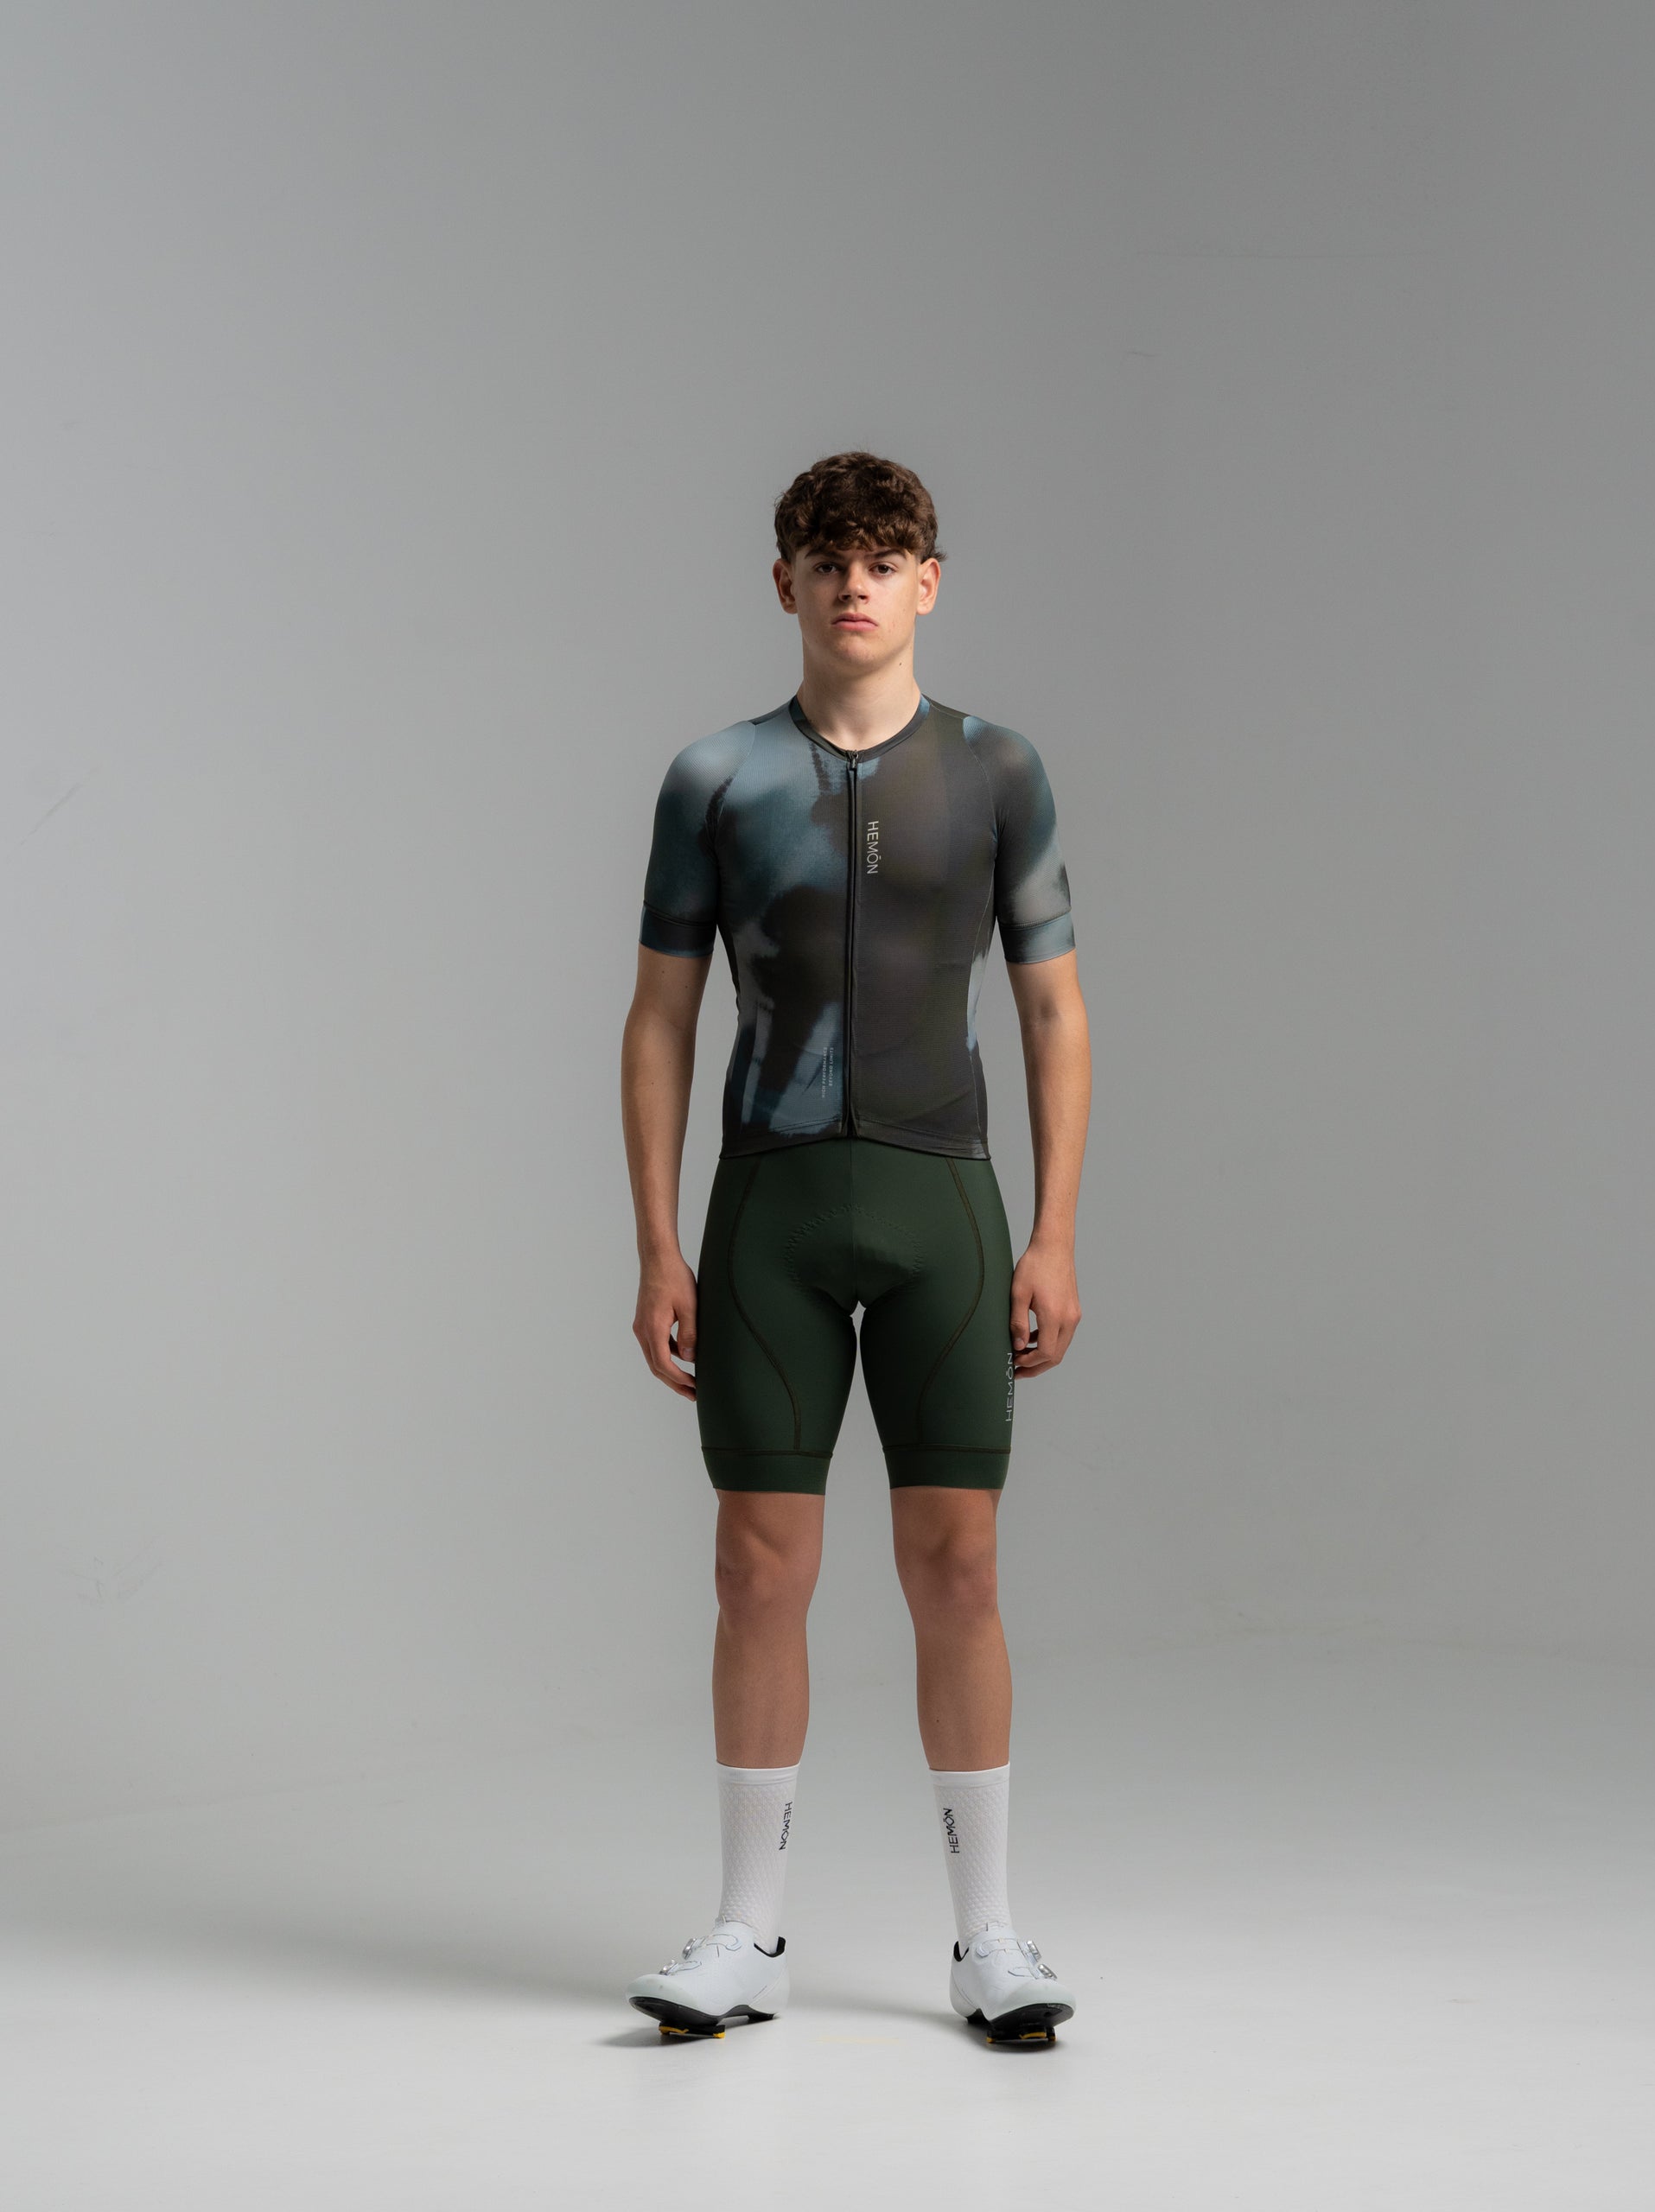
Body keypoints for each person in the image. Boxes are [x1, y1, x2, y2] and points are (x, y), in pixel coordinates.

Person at [619, 451, 1091, 2044]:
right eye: (827, 560)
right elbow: (661, 1017)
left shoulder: (998, 770)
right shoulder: (715, 777)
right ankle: (747, 1933)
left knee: (961, 1566)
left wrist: (1056, 1230)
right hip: (769, 1211)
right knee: (758, 1568)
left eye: (885, 560)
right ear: (786, 585)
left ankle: (990, 1940)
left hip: (944, 1203)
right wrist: (657, 1244)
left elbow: (1053, 1010)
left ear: (929, 583)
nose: (855, 585)